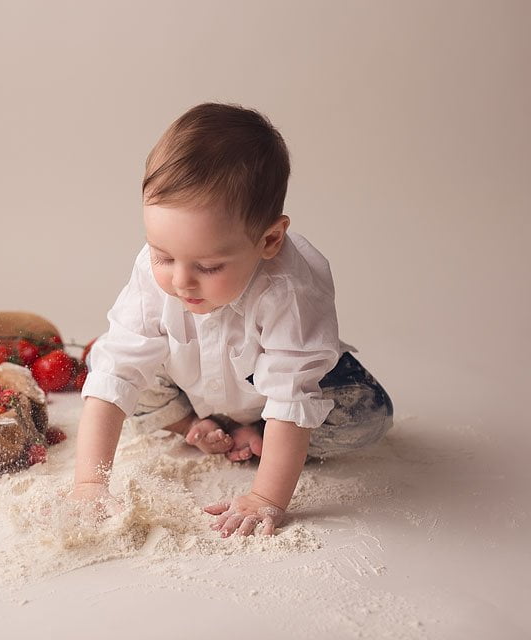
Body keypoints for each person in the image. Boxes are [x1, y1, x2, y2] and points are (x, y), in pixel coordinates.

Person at [69, 102, 394, 538]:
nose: (181, 281)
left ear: (270, 240)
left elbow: (293, 395)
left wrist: (265, 498)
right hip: (193, 379)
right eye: (163, 255)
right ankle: (200, 426)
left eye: (208, 267)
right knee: (113, 375)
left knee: (365, 416)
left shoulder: (289, 291)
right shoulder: (153, 274)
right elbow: (116, 372)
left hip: (281, 387)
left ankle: (259, 429)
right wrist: (90, 483)